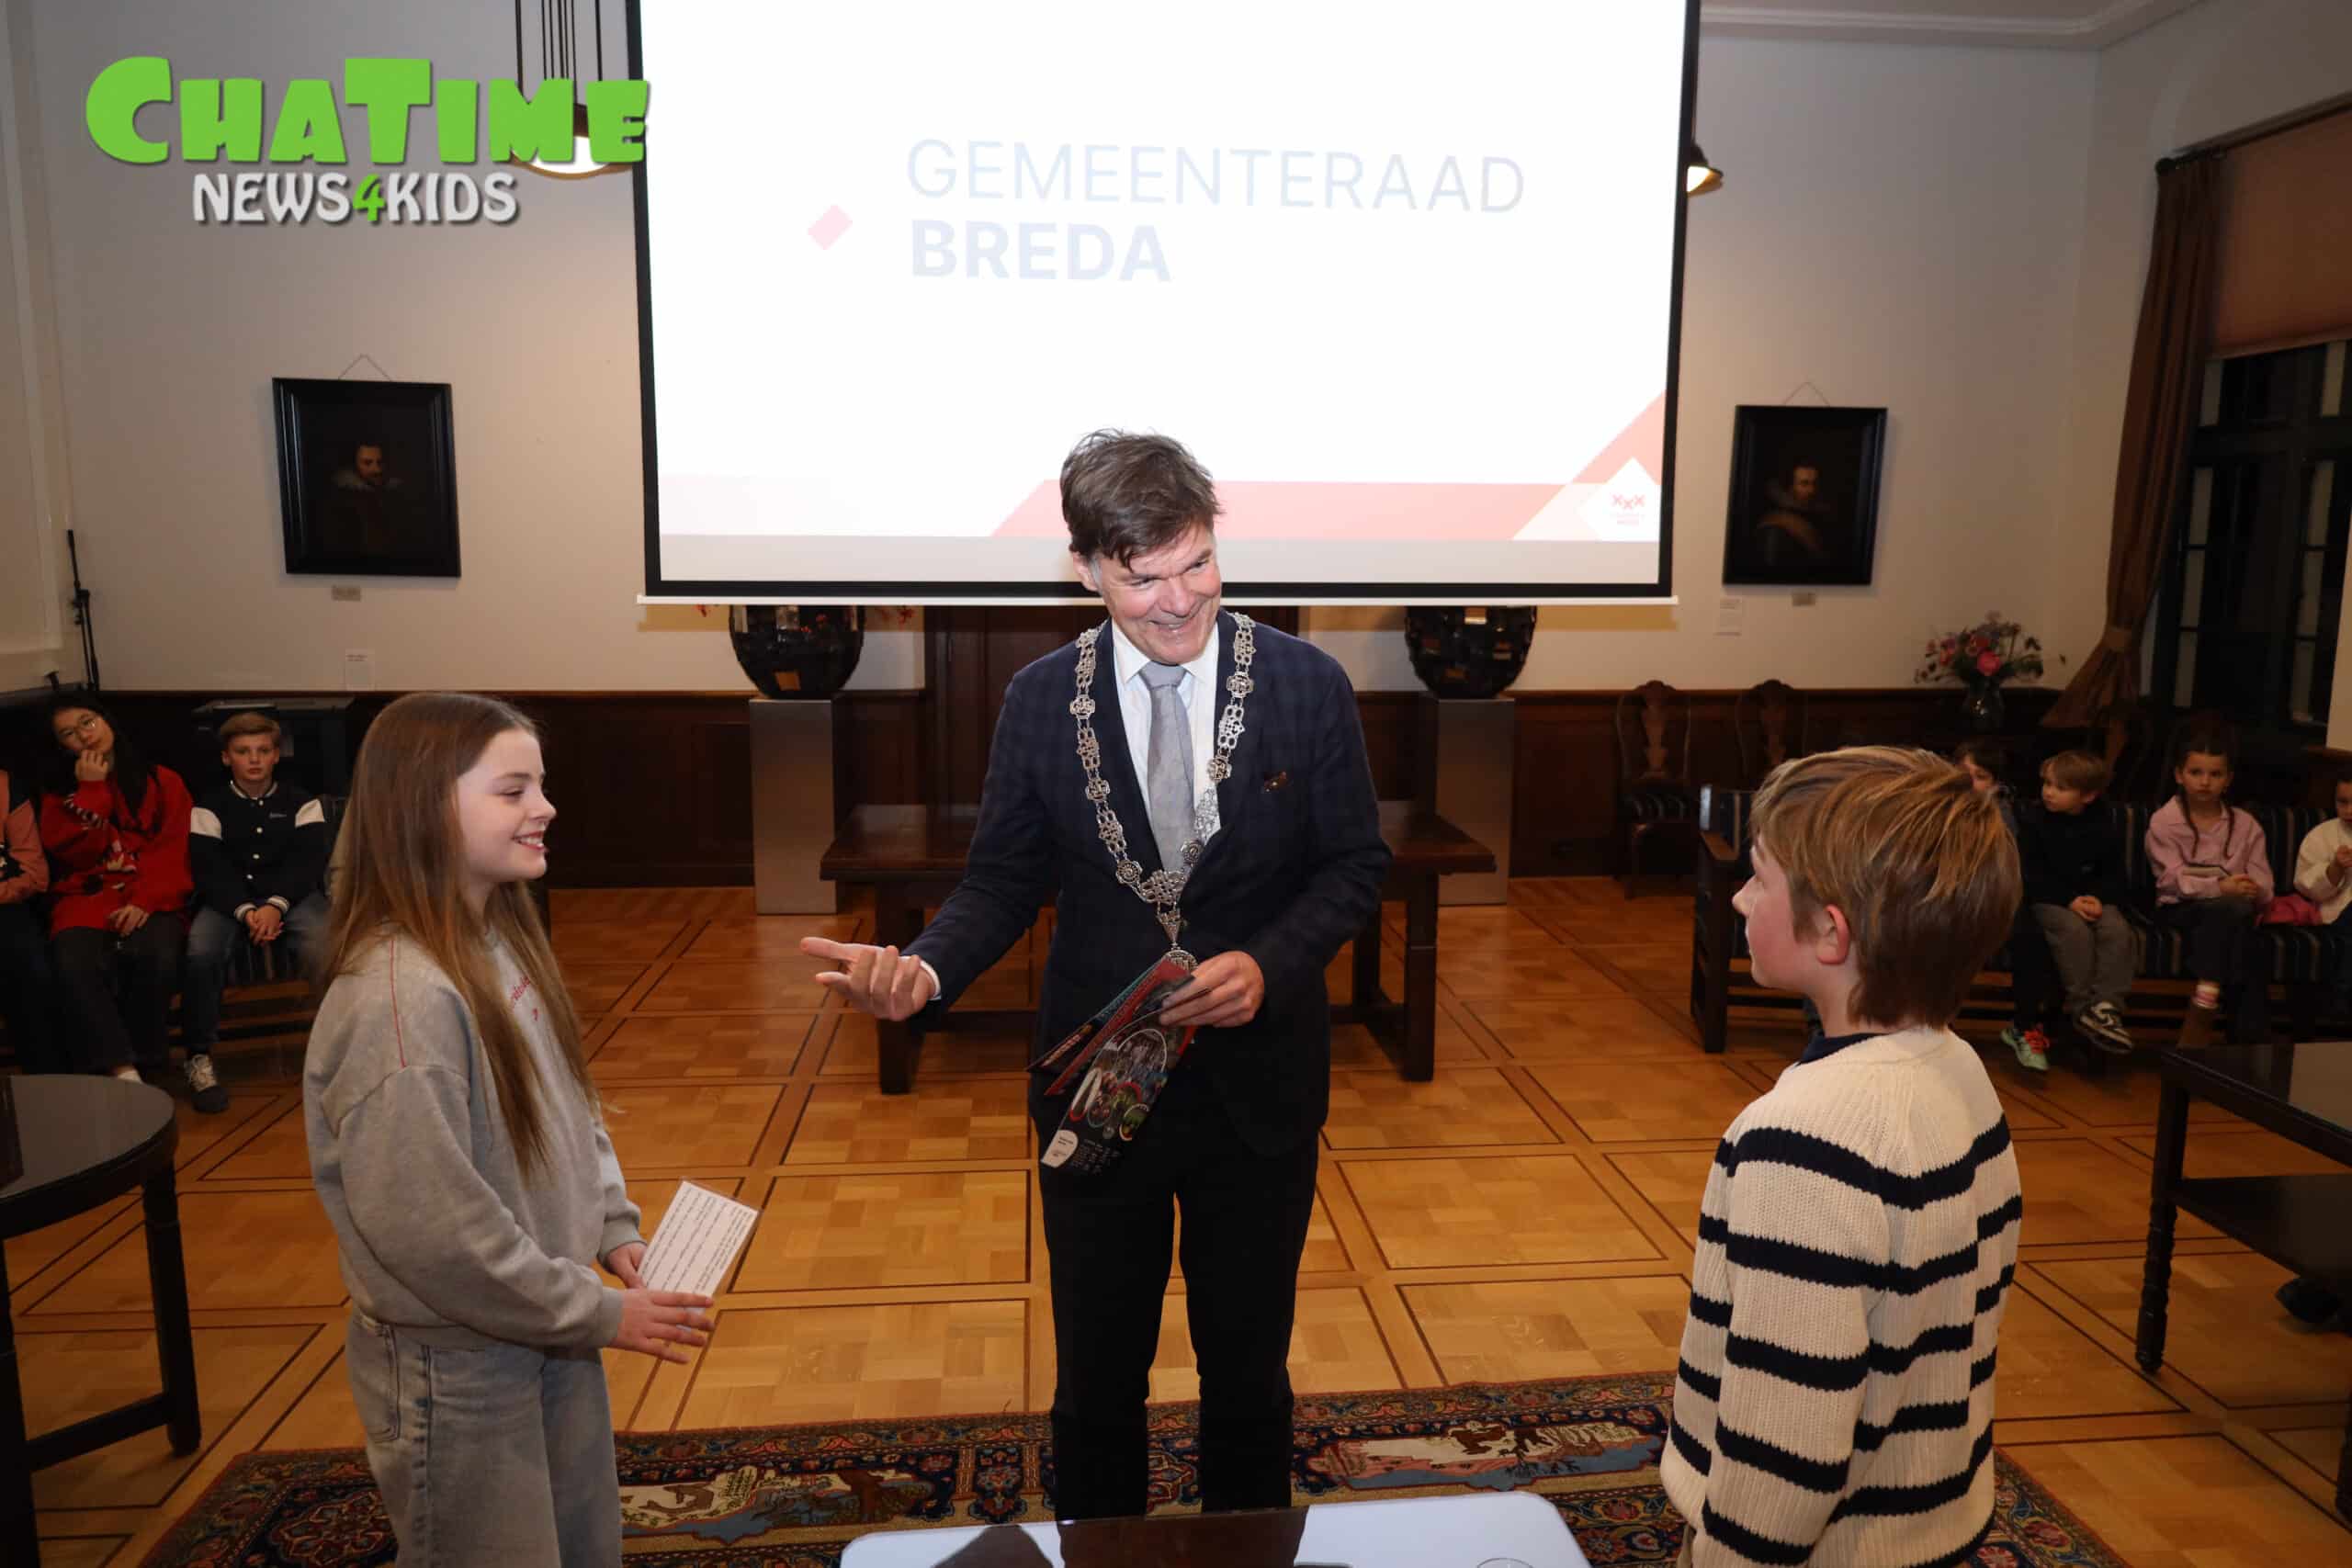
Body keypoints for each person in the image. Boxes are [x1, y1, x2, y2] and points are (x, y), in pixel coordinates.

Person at [801, 430, 1391, 1521]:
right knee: (1097, 1378)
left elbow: (1354, 867)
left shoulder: (1304, 684)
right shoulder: (1040, 699)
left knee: (1248, 1371)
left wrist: (1268, 965)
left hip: (1259, 1091)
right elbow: (1000, 882)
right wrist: (923, 973)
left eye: (1197, 564)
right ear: (1083, 569)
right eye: (1143, 578)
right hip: (1098, 1088)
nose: (1180, 601)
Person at [304, 692, 714, 1562]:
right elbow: (437, 1236)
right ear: (424, 808)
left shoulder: (498, 939)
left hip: (543, 1329)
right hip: (459, 1373)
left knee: (575, 1544)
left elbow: (567, 1104)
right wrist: (596, 1311)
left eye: (542, 785)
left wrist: (611, 1227)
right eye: (513, 790)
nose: (546, 807)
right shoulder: (400, 1001)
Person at [1665, 746, 2023, 1567]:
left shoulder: (1804, 1139)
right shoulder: (1960, 1067)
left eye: (1759, 877)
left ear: (1830, 930)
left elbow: (1786, 1444)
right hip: (1929, 1519)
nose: (1740, 896)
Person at [39, 696, 198, 1094]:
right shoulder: (58, 793)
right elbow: (75, 856)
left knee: (157, 954)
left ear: (107, 720)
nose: (83, 736)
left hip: (151, 892)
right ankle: (121, 1069)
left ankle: (146, 1057)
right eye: (69, 733)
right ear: (62, 746)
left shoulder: (163, 780)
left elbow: (174, 850)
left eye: (87, 722)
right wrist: (91, 791)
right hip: (86, 896)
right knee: (73, 961)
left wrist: (144, 901)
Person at [186, 712, 332, 1084]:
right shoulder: (208, 806)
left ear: (276, 755)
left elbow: (308, 862)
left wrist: (275, 905)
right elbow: (209, 868)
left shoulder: (302, 801)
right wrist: (247, 911)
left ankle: (337, 1043)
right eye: (243, 751)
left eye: (263, 750)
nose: (254, 759)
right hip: (229, 901)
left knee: (327, 946)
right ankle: (199, 1055)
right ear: (226, 757)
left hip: (293, 897)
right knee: (201, 951)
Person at [2145, 723, 2270, 1047]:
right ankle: (2247, 1046)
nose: (2205, 782)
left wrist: (2250, 888)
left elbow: (2265, 885)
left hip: (2235, 912)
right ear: (2179, 775)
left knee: (2240, 923)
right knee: (2235, 917)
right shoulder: (2164, 821)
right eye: (2196, 772)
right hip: (2180, 909)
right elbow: (2172, 881)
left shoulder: (2247, 825)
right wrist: (2221, 888)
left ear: (2228, 780)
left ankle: (2206, 997)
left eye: (2215, 774)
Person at [2018, 750, 2136, 1055]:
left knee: (2116, 930)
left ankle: (2105, 1007)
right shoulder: (2033, 820)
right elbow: (2031, 874)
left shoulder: (2103, 822)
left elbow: (2113, 872)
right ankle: (2081, 1008)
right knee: (2074, 931)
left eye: (2060, 787)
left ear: (2088, 796)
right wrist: (2069, 900)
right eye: (2047, 783)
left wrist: (2099, 898)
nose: (2048, 792)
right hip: (2050, 899)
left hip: (2092, 899)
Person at [1955, 738, 2061, 1072]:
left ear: (1995, 783)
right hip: (1950, 898)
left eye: (1980, 776)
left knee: (2032, 937)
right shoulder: (1935, 806)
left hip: (1997, 897)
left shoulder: (2005, 815)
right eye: (1964, 773)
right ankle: (1932, 1027)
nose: (1970, 782)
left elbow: (2010, 866)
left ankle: (2024, 1026)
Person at [0, 763, 62, 1073]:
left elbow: (35, 874)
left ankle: (46, 1081)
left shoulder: (6, 786)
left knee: (33, 970)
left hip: (6, 905)